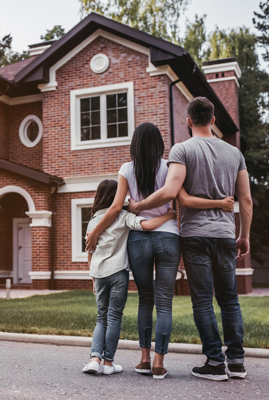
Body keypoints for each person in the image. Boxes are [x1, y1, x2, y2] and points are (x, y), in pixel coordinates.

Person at [85, 122, 233, 379]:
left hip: (139, 240)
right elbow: (181, 197)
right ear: (160, 145)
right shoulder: (170, 166)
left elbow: (115, 208)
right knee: (164, 303)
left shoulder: (126, 169)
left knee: (145, 299)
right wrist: (171, 214)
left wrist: (96, 231)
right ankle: (158, 364)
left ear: (134, 144)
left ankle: (143, 360)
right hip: (168, 237)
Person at [128, 97, 253, 381]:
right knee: (229, 299)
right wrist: (243, 234)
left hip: (195, 235)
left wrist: (139, 205)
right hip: (224, 235)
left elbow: (171, 192)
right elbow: (245, 198)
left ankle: (214, 362)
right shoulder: (235, 153)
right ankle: (236, 361)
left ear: (188, 121)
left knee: (202, 301)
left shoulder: (182, 150)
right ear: (213, 120)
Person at [83, 179, 177, 376]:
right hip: (118, 274)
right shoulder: (124, 216)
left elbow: (89, 252)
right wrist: (169, 214)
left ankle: (94, 359)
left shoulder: (93, 221)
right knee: (114, 316)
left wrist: (93, 278)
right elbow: (149, 225)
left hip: (99, 275)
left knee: (102, 317)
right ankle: (108, 363)